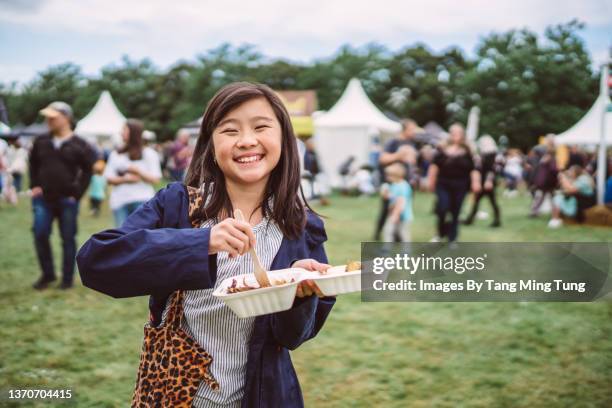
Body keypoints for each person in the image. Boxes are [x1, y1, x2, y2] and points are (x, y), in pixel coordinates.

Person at [76, 82, 335, 407]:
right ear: (211, 145)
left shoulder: (301, 227)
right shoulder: (177, 205)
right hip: (175, 395)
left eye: (261, 127)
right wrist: (200, 243)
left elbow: (293, 337)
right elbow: (96, 262)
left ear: (284, 138)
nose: (246, 141)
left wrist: (299, 290)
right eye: (229, 130)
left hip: (265, 396)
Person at [29, 101, 96, 290]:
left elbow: (88, 170)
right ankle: (48, 275)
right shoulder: (40, 141)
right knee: (40, 234)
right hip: (43, 199)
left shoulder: (80, 144)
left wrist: (77, 194)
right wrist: (34, 185)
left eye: (53, 117)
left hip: (67, 199)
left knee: (67, 238)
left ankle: (67, 279)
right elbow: (33, 165)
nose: (48, 120)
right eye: (47, 117)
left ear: (66, 118)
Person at [428, 123, 480, 243]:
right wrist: (431, 181)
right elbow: (434, 166)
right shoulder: (441, 149)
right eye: (453, 133)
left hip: (460, 184)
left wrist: (475, 182)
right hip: (443, 183)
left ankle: (453, 237)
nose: (456, 135)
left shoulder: (468, 151)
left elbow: (474, 169)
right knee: (442, 207)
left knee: (456, 210)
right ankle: (440, 233)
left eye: (458, 133)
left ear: (462, 135)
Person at [103, 119, 162, 227]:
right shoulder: (116, 154)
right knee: (123, 238)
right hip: (120, 201)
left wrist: (137, 171)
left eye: (124, 129)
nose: (121, 133)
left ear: (134, 132)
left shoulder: (149, 154)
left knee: (142, 237)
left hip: (143, 201)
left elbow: (156, 179)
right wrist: (125, 179)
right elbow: (108, 178)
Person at [374, 119, 418, 240]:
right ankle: (381, 232)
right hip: (391, 180)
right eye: (412, 129)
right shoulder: (393, 142)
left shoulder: (412, 143)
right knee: (387, 208)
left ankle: (398, 234)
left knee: (403, 207)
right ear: (404, 129)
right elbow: (382, 158)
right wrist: (400, 155)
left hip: (405, 181)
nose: (414, 131)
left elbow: (412, 160)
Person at [463, 135, 501, 227]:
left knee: (490, 201)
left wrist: (488, 181)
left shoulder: (491, 154)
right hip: (483, 180)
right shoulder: (486, 154)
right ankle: (471, 219)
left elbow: (492, 169)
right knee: (481, 201)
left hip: (487, 181)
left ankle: (496, 220)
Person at [381, 163, 413, 242]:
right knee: (390, 231)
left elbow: (401, 202)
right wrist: (385, 193)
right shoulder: (395, 185)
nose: (387, 177)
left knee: (402, 233)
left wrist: (396, 215)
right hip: (394, 213)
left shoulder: (403, 186)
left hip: (402, 215)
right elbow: (391, 196)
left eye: (389, 175)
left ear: (396, 175)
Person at [529, 135, 558, 217]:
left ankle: (534, 211)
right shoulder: (548, 158)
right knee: (547, 196)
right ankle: (553, 212)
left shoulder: (544, 159)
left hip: (545, 180)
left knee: (542, 196)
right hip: (548, 180)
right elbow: (552, 169)